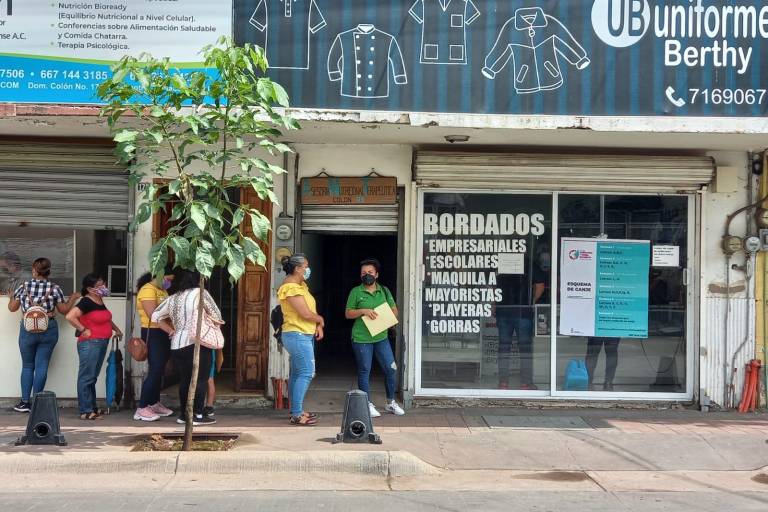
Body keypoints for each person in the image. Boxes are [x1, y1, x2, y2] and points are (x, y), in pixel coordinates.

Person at [7, 257, 80, 413]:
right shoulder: (55, 288)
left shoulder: (23, 286)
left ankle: (24, 403)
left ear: (34, 270)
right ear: (48, 272)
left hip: (27, 329)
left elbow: (12, 308)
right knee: (42, 366)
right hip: (48, 329)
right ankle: (37, 403)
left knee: (27, 366)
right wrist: (73, 298)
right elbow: (64, 310)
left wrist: (12, 296)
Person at [151, 270, 219, 426]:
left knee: (185, 380)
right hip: (197, 342)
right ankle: (198, 415)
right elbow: (217, 315)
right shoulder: (201, 293)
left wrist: (171, 330)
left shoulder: (174, 297)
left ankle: (184, 415)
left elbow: (155, 316)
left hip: (177, 344)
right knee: (201, 379)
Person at [345, 258, 405, 417]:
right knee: (364, 370)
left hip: (381, 337)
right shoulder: (356, 292)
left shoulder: (384, 290)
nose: (367, 275)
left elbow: (394, 310)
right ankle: (367, 404)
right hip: (361, 338)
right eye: (363, 273)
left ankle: (390, 402)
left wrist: (387, 315)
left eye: (370, 272)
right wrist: (363, 311)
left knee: (391, 369)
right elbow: (348, 313)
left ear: (376, 274)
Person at [66, 274, 122, 420]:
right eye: (99, 285)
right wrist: (83, 330)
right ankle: (85, 411)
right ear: (90, 289)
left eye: (103, 284)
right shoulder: (86, 301)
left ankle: (92, 407)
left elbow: (106, 318)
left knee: (92, 376)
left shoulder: (99, 300)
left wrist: (116, 329)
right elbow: (70, 316)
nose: (103, 287)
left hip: (101, 342)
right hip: (90, 343)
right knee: (86, 377)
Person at [278, 253, 324, 426]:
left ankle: (295, 410)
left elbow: (309, 310)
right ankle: (297, 414)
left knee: (298, 373)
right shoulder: (290, 288)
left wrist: (317, 325)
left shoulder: (300, 285)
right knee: (307, 372)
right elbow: (305, 313)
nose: (307, 269)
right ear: (297, 269)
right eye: (305, 266)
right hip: (296, 335)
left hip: (303, 333)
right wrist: (320, 319)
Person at [496, 252, 549, 390]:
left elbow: (492, 286)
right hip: (523, 312)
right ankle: (525, 383)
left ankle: (503, 383)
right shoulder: (529, 263)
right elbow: (540, 286)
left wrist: (493, 305)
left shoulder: (501, 261)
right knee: (525, 348)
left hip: (503, 310)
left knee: (504, 347)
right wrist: (531, 301)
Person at [133, 270, 175, 422]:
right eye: (167, 279)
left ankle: (153, 403)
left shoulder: (162, 290)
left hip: (163, 333)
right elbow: (154, 315)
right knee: (155, 370)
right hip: (153, 333)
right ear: (159, 275)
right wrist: (170, 330)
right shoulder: (147, 290)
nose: (168, 282)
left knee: (160, 370)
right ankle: (142, 407)